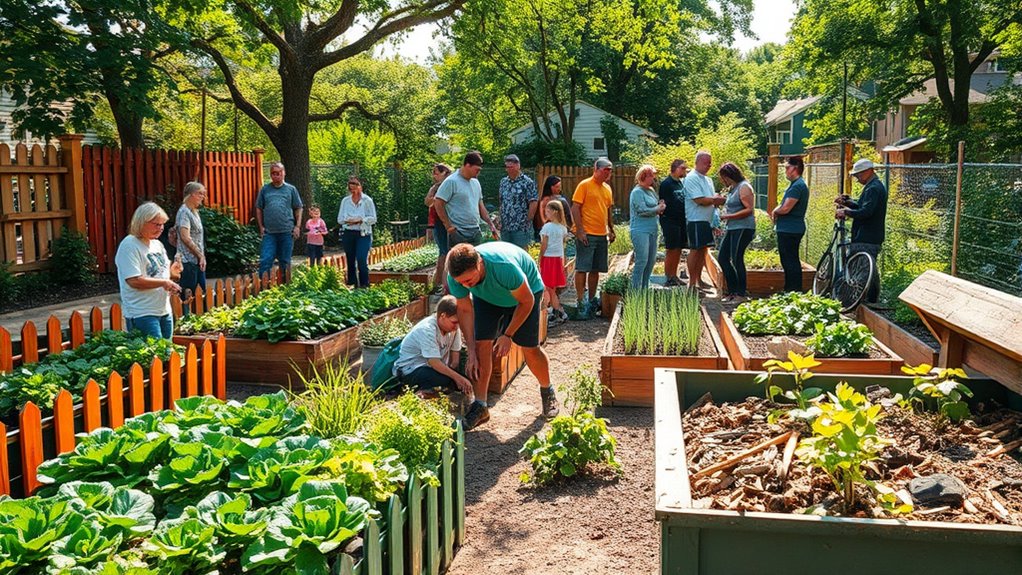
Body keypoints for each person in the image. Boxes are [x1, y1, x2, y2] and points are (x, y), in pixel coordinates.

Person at [446, 242, 559, 430]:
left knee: (530, 349)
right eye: (461, 283)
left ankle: (548, 391)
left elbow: (527, 301)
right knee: (481, 346)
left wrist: (507, 335)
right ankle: (480, 406)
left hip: (526, 295)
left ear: (479, 263)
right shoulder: (455, 277)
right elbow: (465, 310)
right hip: (487, 297)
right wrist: (471, 351)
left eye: (469, 280)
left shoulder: (504, 267)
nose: (465, 285)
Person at [116, 202, 183, 340]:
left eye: (162, 224)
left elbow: (159, 275)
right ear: (141, 222)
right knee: (152, 353)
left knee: (167, 352)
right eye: (156, 224)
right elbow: (134, 280)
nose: (161, 228)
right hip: (142, 313)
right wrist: (164, 283)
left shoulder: (157, 245)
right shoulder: (129, 245)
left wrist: (172, 273)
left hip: (164, 311)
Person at [394, 295, 474, 396]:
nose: (457, 326)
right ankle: (415, 393)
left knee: (461, 383)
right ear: (443, 316)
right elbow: (434, 362)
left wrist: (458, 378)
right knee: (445, 382)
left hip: (433, 368)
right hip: (411, 370)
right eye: (454, 322)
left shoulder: (453, 329)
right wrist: (456, 378)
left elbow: (455, 359)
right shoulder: (427, 330)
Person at [837, 158, 888, 303]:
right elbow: (861, 206)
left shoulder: (873, 188)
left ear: (868, 171)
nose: (857, 178)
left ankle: (854, 302)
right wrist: (848, 202)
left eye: (858, 175)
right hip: (868, 236)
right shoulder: (873, 186)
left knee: (860, 273)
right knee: (869, 272)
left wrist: (845, 212)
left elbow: (866, 212)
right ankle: (871, 301)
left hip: (867, 237)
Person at [570, 157, 616, 319]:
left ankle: (591, 300)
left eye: (610, 170)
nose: (608, 173)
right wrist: (580, 230)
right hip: (587, 233)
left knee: (596, 269)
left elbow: (607, 210)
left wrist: (611, 229)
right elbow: (575, 208)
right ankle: (580, 301)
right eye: (606, 170)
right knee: (582, 267)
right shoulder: (584, 185)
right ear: (596, 170)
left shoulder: (607, 188)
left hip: (601, 234)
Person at [434, 151, 498, 247]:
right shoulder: (451, 181)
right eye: (477, 170)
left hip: (476, 231)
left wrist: (491, 224)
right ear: (467, 165)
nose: (479, 172)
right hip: (458, 233)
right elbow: (438, 202)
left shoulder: (476, 183)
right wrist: (448, 227)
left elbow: (480, 206)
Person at [683, 151, 726, 292]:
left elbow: (711, 199)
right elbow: (699, 200)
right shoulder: (691, 178)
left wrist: (715, 201)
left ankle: (699, 280)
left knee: (703, 250)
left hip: (707, 220)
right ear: (697, 162)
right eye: (706, 162)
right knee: (695, 250)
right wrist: (716, 200)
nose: (709, 165)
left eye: (710, 162)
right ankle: (692, 284)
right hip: (696, 219)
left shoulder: (708, 180)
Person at [256, 162, 303, 278]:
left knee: (285, 261)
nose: (276, 175)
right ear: (270, 175)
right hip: (269, 233)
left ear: (284, 173)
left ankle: (286, 284)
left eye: (279, 173)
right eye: (273, 173)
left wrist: (297, 226)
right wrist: (261, 226)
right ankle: (264, 285)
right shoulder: (265, 190)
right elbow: (259, 208)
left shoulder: (291, 189)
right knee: (266, 259)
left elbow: (298, 207)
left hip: (287, 231)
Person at [717, 162, 756, 302]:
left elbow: (749, 209)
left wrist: (728, 216)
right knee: (722, 258)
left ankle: (741, 294)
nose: (723, 181)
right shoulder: (733, 188)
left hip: (743, 228)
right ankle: (732, 291)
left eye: (723, 178)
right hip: (732, 227)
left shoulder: (744, 187)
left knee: (737, 259)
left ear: (729, 175)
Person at [770, 156, 809, 292]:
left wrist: (775, 211)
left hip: (790, 229)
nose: (785, 171)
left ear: (795, 168)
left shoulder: (797, 186)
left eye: (787, 168)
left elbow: (786, 208)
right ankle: (791, 290)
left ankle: (793, 290)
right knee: (789, 260)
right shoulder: (795, 185)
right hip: (789, 228)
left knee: (790, 261)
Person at [629, 164, 666, 289]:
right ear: (643, 176)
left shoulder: (650, 190)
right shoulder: (637, 192)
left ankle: (645, 288)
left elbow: (655, 205)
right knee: (642, 260)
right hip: (640, 230)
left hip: (653, 229)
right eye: (651, 176)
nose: (653, 178)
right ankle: (635, 289)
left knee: (651, 261)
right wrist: (657, 208)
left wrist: (660, 205)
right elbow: (642, 210)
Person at [338, 175, 377, 288]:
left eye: (355, 184)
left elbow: (373, 219)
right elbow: (340, 219)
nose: (352, 187)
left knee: (361, 259)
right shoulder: (345, 201)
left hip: (363, 233)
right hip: (348, 233)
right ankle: (352, 285)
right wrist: (350, 221)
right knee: (350, 260)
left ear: (361, 186)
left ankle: (365, 285)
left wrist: (360, 220)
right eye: (350, 184)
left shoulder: (367, 200)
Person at [497, 154, 539, 249]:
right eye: (507, 167)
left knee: (521, 253)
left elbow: (533, 202)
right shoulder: (503, 182)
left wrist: (527, 220)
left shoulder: (527, 182)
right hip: (505, 226)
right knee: (506, 253)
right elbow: (501, 201)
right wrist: (500, 218)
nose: (509, 170)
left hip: (521, 227)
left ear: (518, 166)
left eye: (511, 167)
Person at [539, 201, 570, 325]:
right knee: (553, 288)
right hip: (558, 259)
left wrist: (540, 258)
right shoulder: (563, 228)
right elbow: (563, 245)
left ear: (554, 212)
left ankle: (560, 313)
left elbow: (544, 245)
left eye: (547, 211)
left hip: (548, 259)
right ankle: (554, 310)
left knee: (549, 288)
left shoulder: (547, 227)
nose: (545, 213)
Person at [659, 159, 689, 286]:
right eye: (682, 168)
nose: (685, 171)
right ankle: (669, 277)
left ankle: (674, 275)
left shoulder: (680, 183)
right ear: (675, 168)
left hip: (681, 221)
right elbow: (662, 203)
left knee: (678, 249)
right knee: (671, 249)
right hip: (670, 220)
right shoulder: (666, 184)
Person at [425, 163, 453, 293]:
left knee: (448, 253)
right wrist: (434, 193)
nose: (434, 176)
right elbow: (428, 202)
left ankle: (443, 284)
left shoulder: (451, 184)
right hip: (438, 222)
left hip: (451, 221)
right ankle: (439, 284)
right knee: (443, 252)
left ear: (445, 173)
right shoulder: (435, 187)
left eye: (436, 173)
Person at [175, 181, 207, 297]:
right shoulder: (184, 212)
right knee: (189, 297)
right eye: (200, 193)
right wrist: (200, 255)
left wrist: (200, 257)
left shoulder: (194, 212)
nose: (203, 196)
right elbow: (185, 237)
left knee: (200, 296)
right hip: (188, 262)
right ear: (192, 194)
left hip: (197, 261)